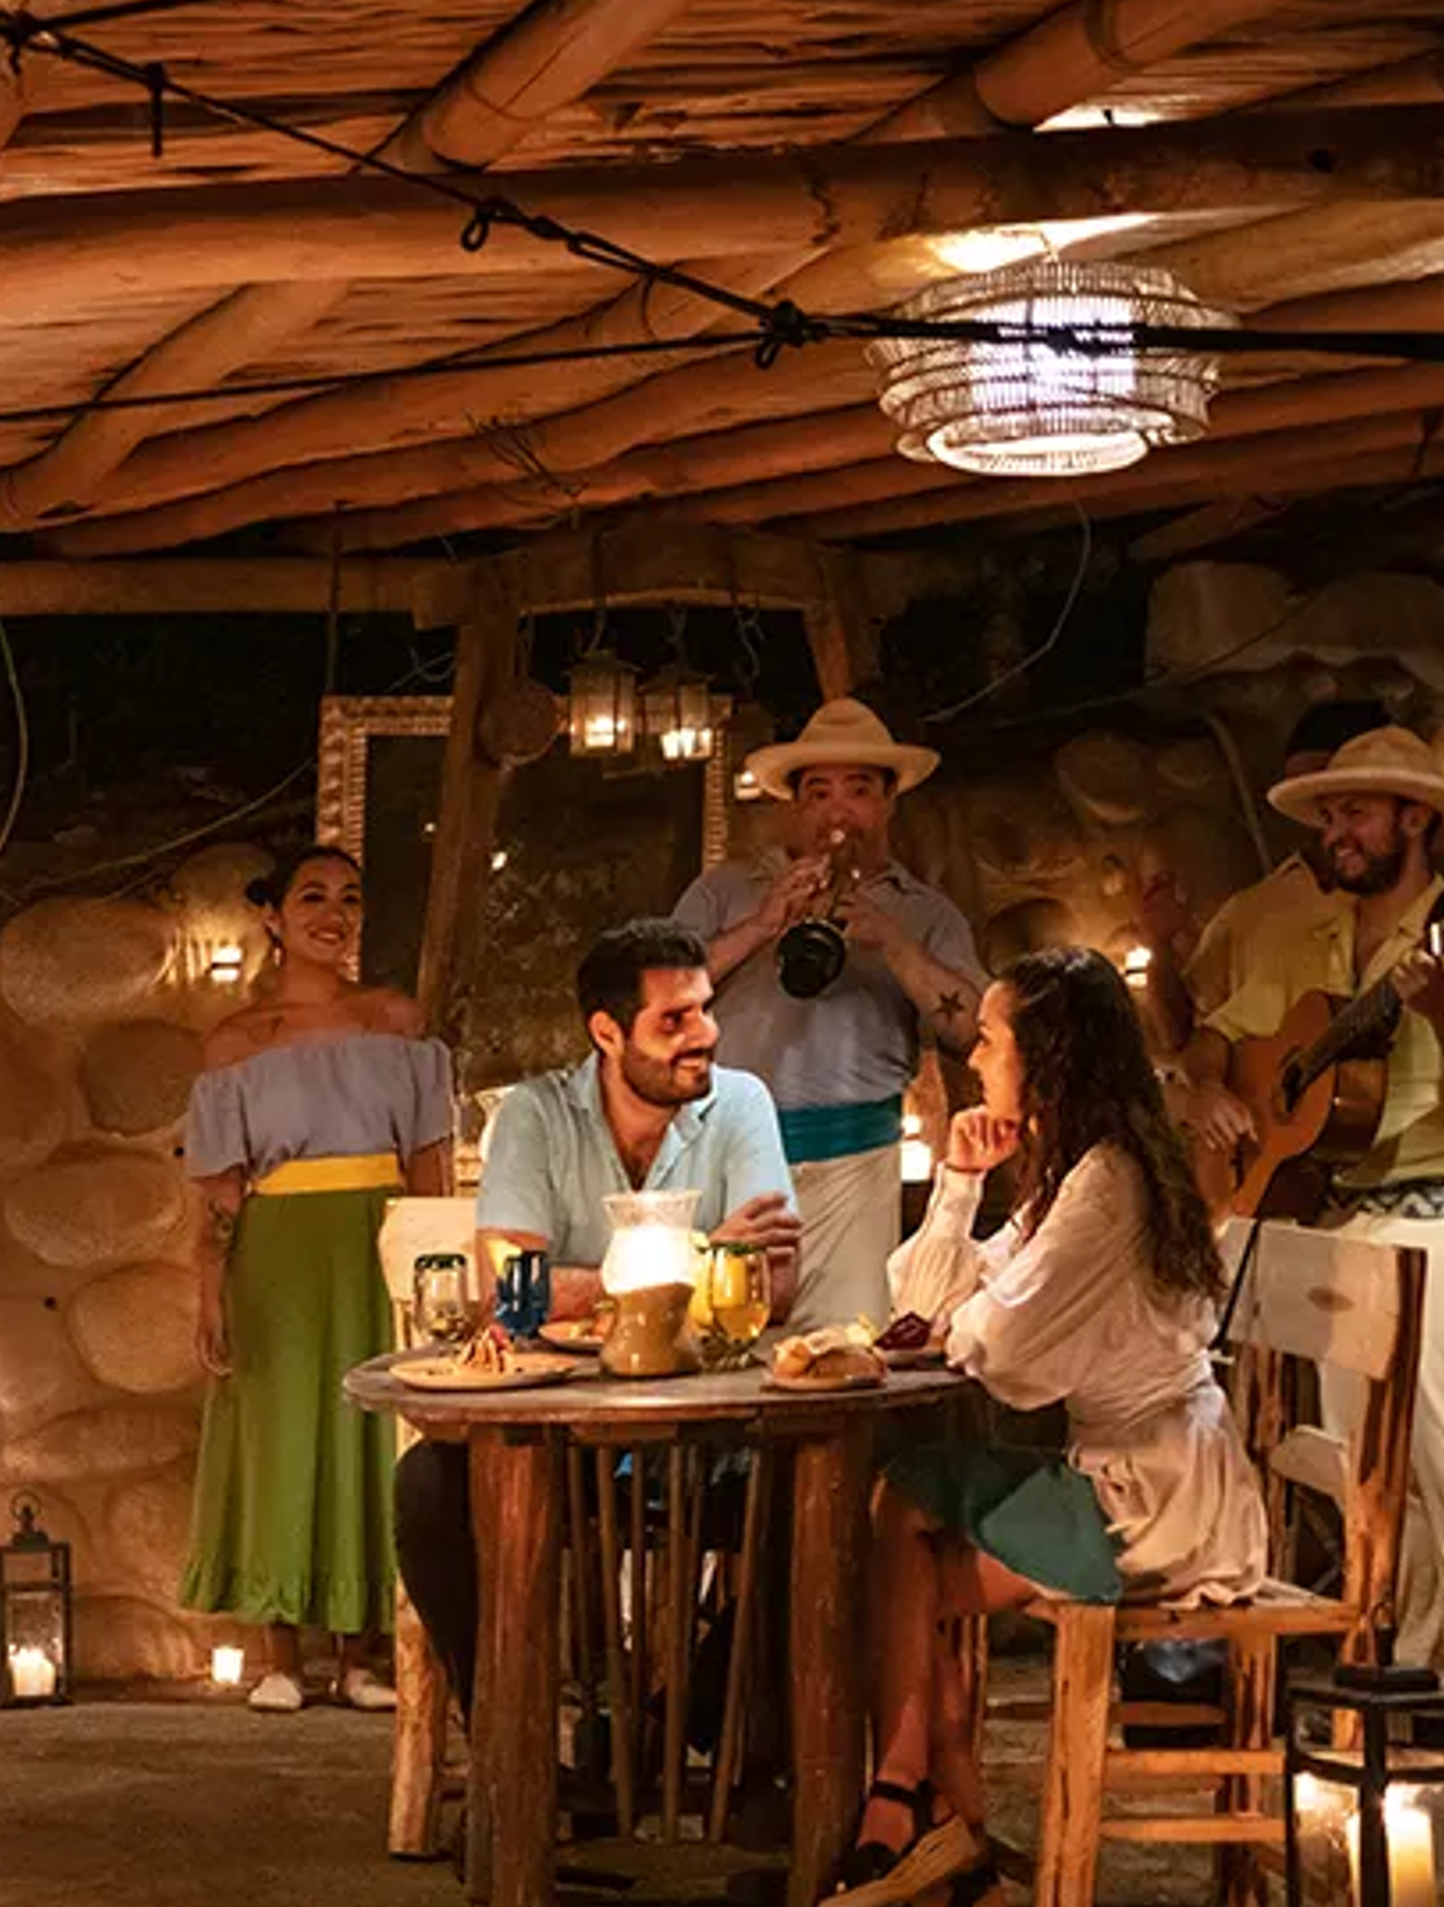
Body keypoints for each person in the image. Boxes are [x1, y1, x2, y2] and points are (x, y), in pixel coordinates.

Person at [824, 948, 1265, 1907]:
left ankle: (924, 1807)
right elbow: (926, 1303)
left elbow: (1006, 1357)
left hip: (1153, 1492)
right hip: (1110, 1462)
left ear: (1047, 1055)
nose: (977, 1058)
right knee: (905, 1493)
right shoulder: (1073, 1172)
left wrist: (977, 1309)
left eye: (990, 1039)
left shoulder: (1107, 1186)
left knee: (895, 1554)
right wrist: (957, 1182)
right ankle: (934, 1806)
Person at [1173, 724, 1444, 1744]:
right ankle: (1413, 1674)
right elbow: (1220, 1035)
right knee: (1372, 1480)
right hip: (1342, 1218)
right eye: (1330, 813)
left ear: (1416, 819)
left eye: (1357, 811)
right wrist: (1202, 1089)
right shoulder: (1308, 934)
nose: (1339, 830)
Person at [392, 919, 798, 1697]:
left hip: (709, 1431)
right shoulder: (536, 1117)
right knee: (429, 1490)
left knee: (820, 1486)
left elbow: (776, 1291)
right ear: (607, 1033)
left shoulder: (741, 1104)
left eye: (705, 1010)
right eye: (674, 1021)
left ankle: (728, 1738)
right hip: (564, 1441)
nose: (704, 1035)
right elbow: (514, 1297)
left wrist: (584, 1283)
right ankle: (513, 1743)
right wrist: (706, 1254)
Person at [181, 848, 454, 1713]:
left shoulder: (395, 1023)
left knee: (373, 1433)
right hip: (279, 1253)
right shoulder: (238, 1041)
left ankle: (365, 1653)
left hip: (380, 1244)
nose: (332, 914)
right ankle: (279, 1656)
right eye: (312, 897)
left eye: (348, 898)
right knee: (281, 1430)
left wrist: (437, 1265)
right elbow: (219, 1184)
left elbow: (431, 1164)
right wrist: (209, 1285)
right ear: (274, 917)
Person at [671, 699, 981, 1331]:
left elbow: (976, 1029)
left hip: (856, 1170)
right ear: (795, 807)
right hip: (729, 1162)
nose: (838, 813)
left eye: (859, 791)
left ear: (890, 803)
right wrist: (760, 926)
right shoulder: (724, 892)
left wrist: (894, 942)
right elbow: (655, 1003)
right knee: (721, 1346)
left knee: (845, 1356)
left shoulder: (923, 913)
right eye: (818, 794)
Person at [1134, 696, 1389, 1057]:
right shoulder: (1249, 912)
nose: (1319, 807)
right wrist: (1159, 945)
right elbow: (1181, 1039)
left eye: (1337, 791)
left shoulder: (1418, 913)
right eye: (1306, 792)